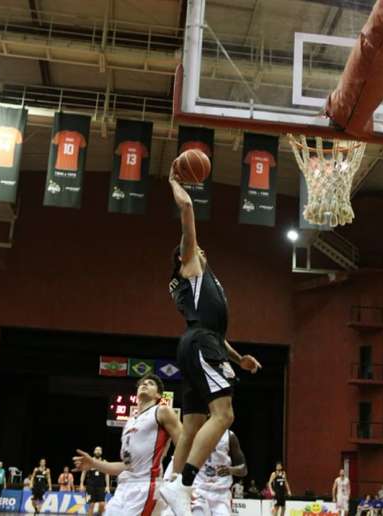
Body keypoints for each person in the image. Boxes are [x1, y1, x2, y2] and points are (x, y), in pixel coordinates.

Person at [160, 165, 262, 516]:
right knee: (224, 414)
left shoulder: (202, 283)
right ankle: (185, 483)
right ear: (184, 256)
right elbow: (187, 211)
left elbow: (217, 335)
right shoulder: (190, 266)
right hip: (202, 344)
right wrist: (175, 181)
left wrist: (238, 359)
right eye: (193, 247)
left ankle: (171, 491)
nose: (200, 248)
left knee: (190, 428)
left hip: (203, 342)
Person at [74, 374, 181, 516]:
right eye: (142, 383)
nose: (144, 384)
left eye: (150, 384)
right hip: (123, 488)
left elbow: (184, 441)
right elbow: (126, 466)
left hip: (146, 486)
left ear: (158, 394)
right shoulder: (129, 422)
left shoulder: (162, 411)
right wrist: (93, 463)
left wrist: (180, 477)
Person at [190, 430, 247, 516]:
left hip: (221, 493)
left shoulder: (229, 436)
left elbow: (244, 469)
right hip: (199, 490)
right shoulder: (195, 431)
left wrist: (230, 470)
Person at [78, 448, 111, 516]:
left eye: (99, 450)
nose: (98, 451)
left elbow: (107, 474)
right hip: (90, 486)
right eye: (96, 449)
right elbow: (83, 473)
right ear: (94, 451)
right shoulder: (89, 461)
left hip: (101, 486)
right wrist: (81, 484)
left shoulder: (104, 462)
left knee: (102, 505)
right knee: (91, 505)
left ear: (101, 452)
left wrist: (107, 486)